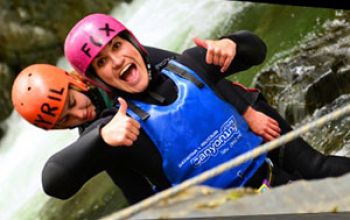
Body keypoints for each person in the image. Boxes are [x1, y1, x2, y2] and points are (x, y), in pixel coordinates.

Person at [62, 13, 350, 200]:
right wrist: (102, 139)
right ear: (98, 80)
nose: (115, 60)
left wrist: (232, 43)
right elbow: (56, 181)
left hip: (276, 180)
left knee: (319, 168)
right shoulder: (117, 128)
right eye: (101, 62)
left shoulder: (188, 64)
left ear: (134, 44)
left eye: (116, 46)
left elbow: (256, 50)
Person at [12, 21, 272, 204]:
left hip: (220, 114)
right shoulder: (93, 130)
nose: (78, 114)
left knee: (256, 112)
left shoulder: (125, 62)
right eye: (64, 121)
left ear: (77, 81)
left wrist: (246, 110)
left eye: (72, 102)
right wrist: (101, 136)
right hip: (170, 158)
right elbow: (129, 184)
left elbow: (199, 81)